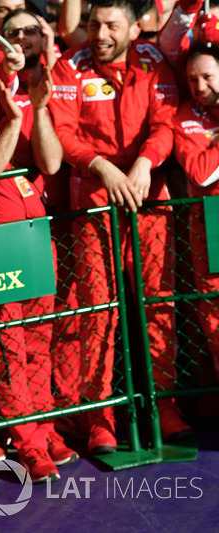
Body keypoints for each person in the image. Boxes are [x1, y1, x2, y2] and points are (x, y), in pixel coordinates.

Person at [48, 0, 188, 453]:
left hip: (149, 194)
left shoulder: (153, 60)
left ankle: (163, 405)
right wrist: (103, 168)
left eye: (111, 25)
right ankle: (100, 416)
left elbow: (165, 124)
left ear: (132, 30)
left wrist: (146, 163)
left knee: (157, 303)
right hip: (93, 197)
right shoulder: (70, 65)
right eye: (93, 24)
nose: (100, 33)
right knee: (97, 309)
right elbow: (64, 132)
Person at [0, 38, 79, 483]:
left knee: (41, 342)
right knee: (7, 348)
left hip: (33, 244)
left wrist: (32, 111)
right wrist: (12, 122)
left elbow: (53, 162)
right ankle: (28, 444)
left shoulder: (21, 104)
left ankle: (42, 429)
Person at [173, 43, 219, 390]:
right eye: (192, 79)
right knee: (215, 317)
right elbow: (202, 173)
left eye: (207, 77)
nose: (200, 86)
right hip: (211, 223)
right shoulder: (186, 116)